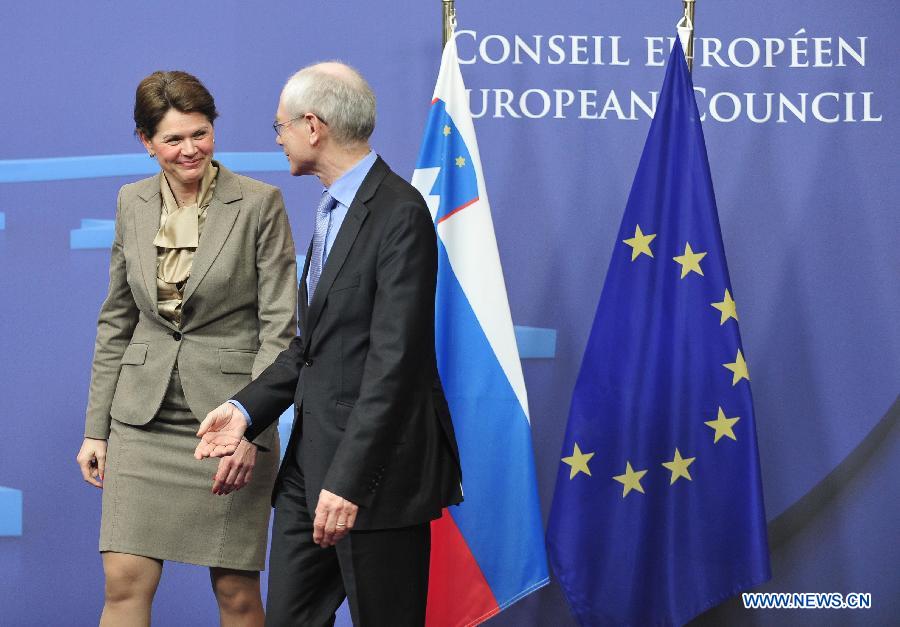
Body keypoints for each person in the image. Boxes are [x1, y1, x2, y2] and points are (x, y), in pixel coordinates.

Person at [194, 62, 463, 626]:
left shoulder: (400, 214)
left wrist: (349, 482)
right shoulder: (328, 208)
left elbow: (396, 364)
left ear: (312, 126)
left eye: (280, 126)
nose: (278, 138)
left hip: (373, 479)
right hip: (305, 472)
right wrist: (244, 410)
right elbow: (311, 348)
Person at [75, 70, 297, 626]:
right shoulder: (131, 201)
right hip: (141, 420)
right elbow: (117, 320)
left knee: (236, 592)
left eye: (200, 133)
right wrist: (95, 428)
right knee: (123, 582)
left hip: (226, 421)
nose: (189, 149)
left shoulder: (259, 204)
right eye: (173, 139)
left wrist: (252, 425)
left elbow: (279, 328)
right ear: (147, 142)